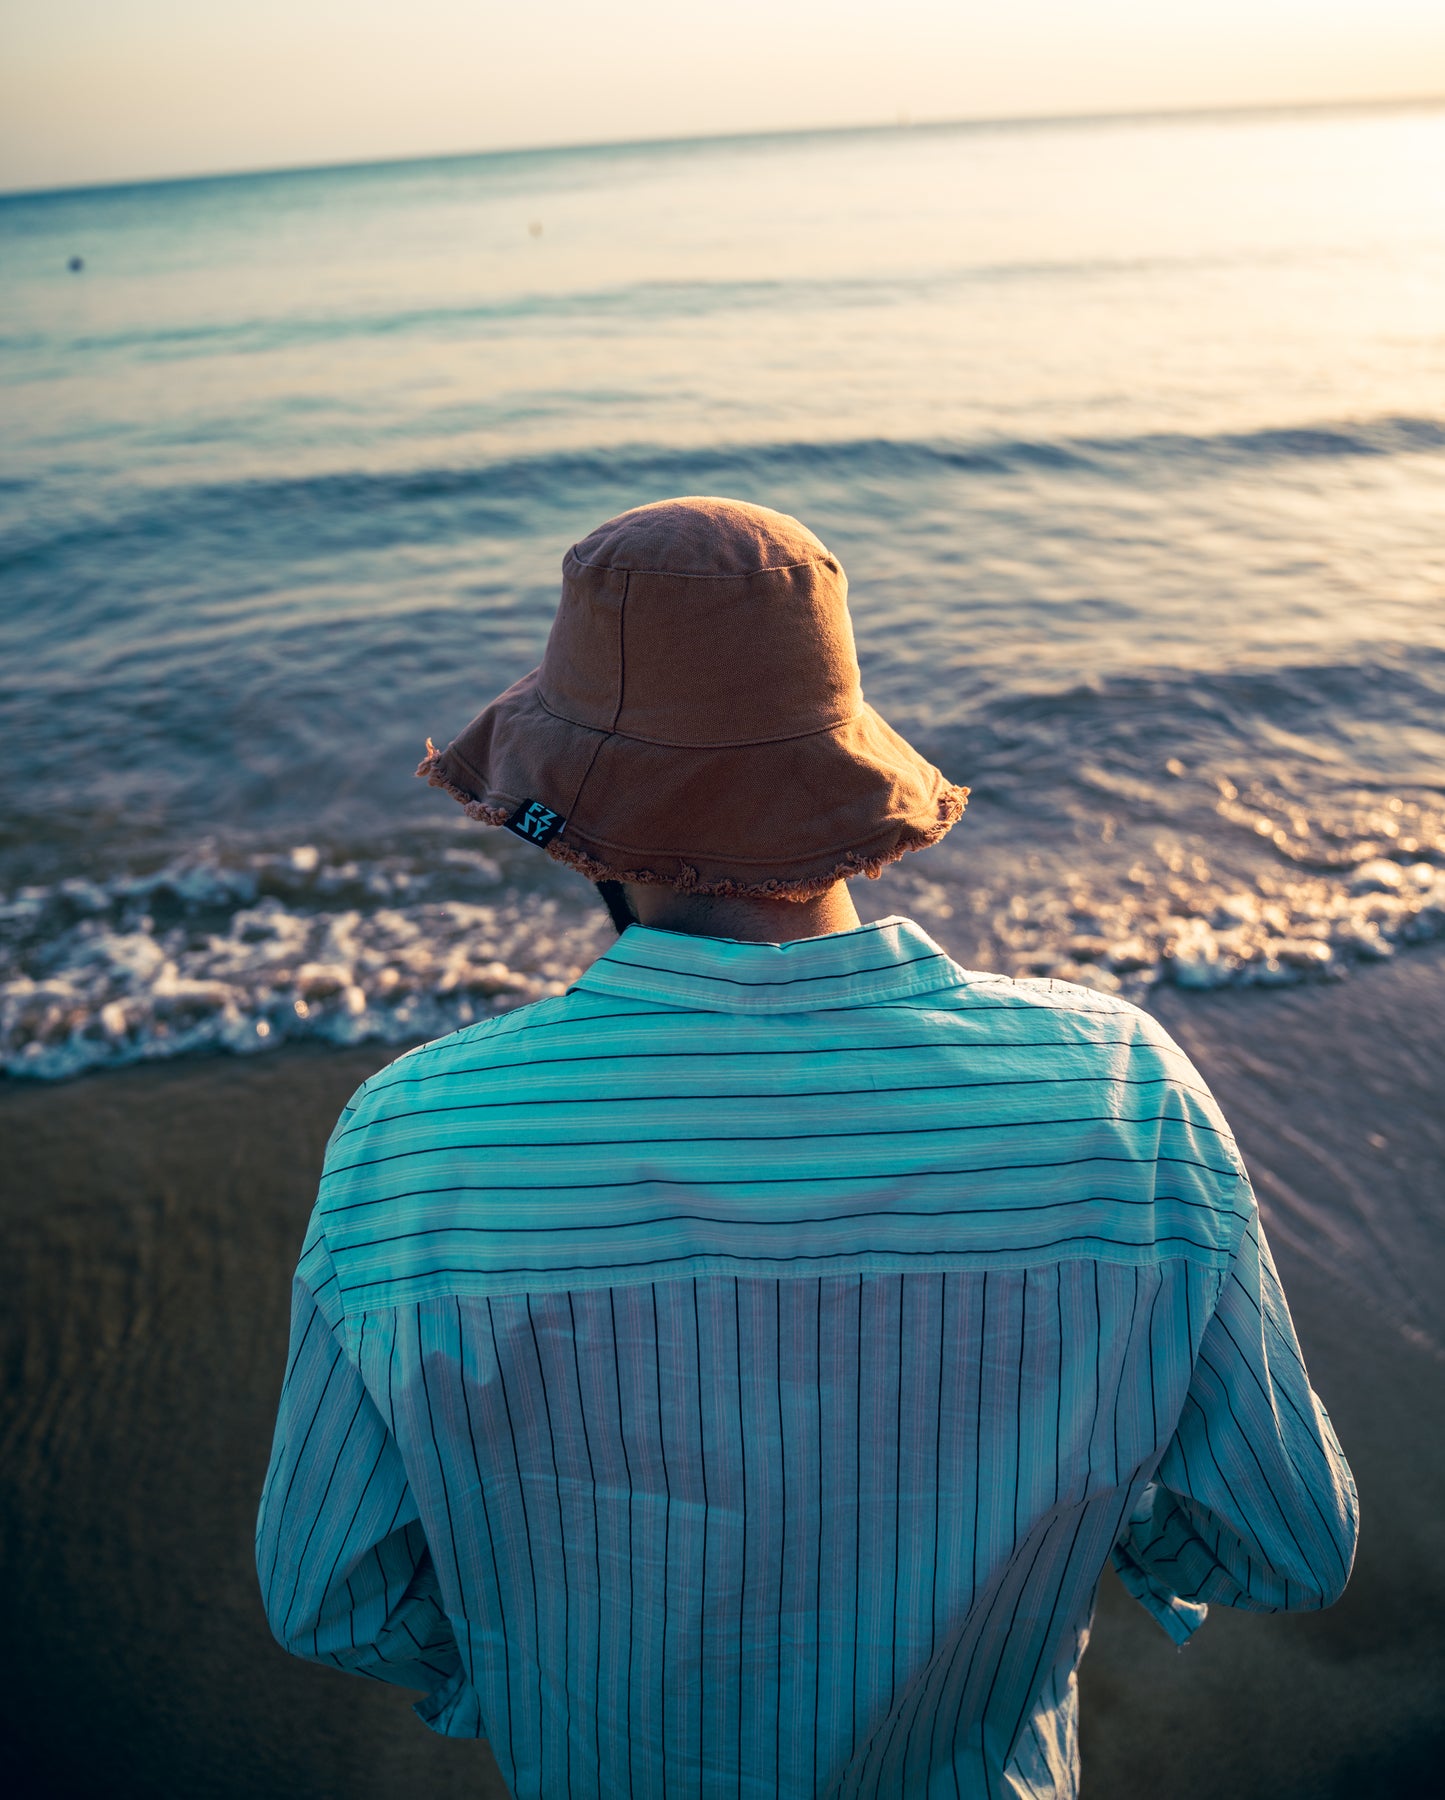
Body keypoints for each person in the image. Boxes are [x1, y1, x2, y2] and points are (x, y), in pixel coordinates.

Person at [256, 495, 1357, 1799]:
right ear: (843, 777)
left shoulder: (418, 1143)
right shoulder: (1116, 1095)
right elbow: (1284, 1541)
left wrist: (511, 1667)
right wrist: (1070, 1527)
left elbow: (331, 1591)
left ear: (563, 824)